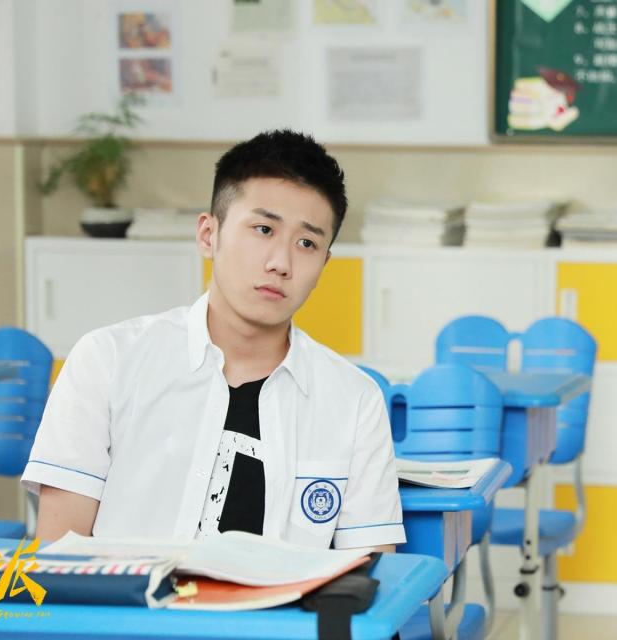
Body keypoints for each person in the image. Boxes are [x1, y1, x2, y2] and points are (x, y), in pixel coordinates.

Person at [22, 130, 405, 552]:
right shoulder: (107, 361)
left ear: (323, 264)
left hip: (282, 599)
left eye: (307, 243)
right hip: (131, 597)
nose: (281, 262)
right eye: (263, 229)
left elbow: (371, 570)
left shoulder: (354, 401)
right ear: (209, 235)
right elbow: (59, 554)